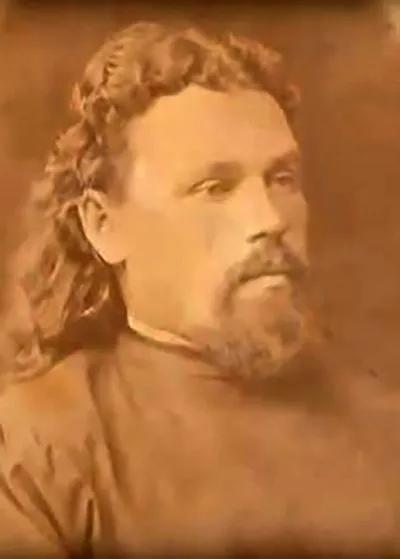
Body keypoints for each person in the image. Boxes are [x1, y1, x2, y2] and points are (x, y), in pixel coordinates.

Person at [0, 20, 399, 558]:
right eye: (214, 188)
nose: (269, 218)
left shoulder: (384, 425)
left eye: (282, 179)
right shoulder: (38, 449)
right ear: (103, 225)